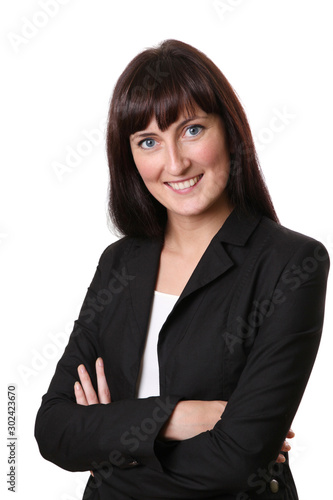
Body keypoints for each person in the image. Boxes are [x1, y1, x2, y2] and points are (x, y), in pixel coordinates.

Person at [35, 39, 329, 499]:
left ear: (228, 130)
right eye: (148, 141)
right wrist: (178, 417)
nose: (175, 163)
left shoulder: (292, 263)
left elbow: (238, 460)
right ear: (129, 156)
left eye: (192, 130)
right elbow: (53, 429)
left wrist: (109, 445)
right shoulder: (120, 263)